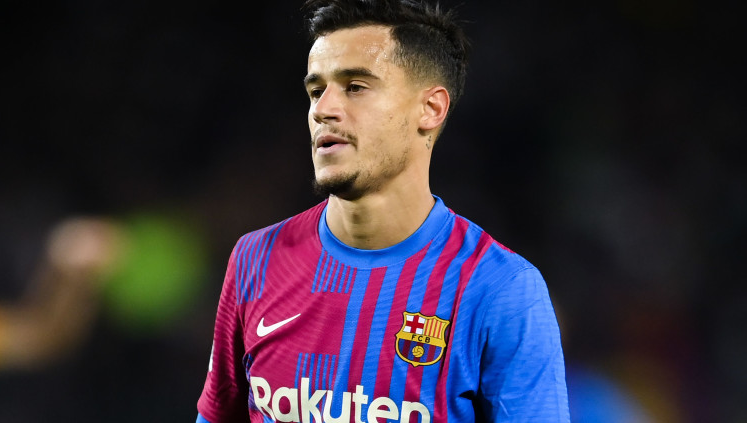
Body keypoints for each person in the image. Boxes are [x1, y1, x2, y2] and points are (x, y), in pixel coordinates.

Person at [196, 0, 569, 421]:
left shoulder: (501, 290)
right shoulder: (256, 259)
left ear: (431, 109)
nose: (323, 109)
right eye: (316, 91)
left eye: (355, 86)